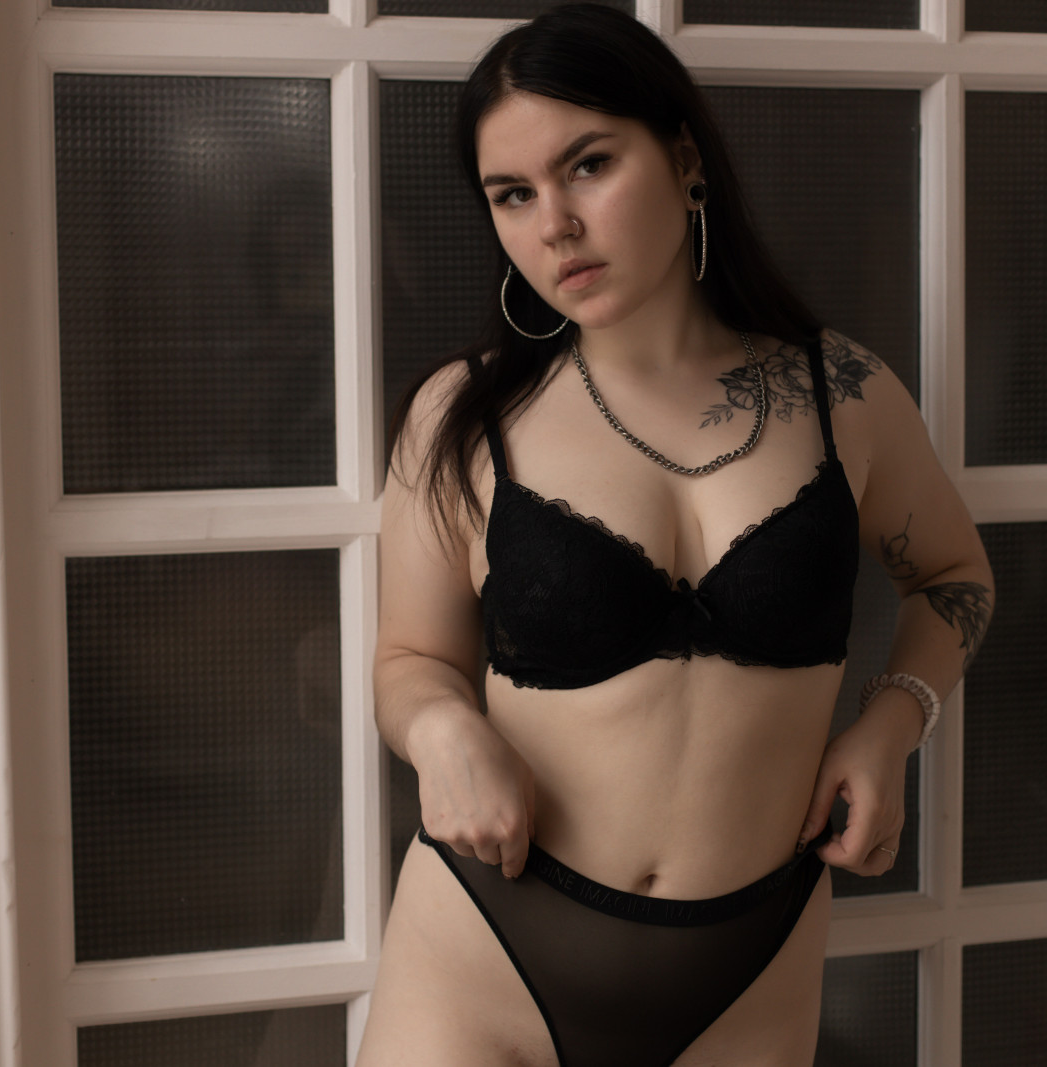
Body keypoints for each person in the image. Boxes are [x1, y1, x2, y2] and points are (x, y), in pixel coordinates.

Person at [357, 5, 993, 1065]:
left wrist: (891, 725)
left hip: (748, 976)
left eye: (588, 165)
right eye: (513, 193)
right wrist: (441, 728)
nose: (555, 224)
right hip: (486, 957)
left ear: (686, 159)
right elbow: (407, 658)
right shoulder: (465, 417)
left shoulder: (841, 392)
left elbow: (955, 577)